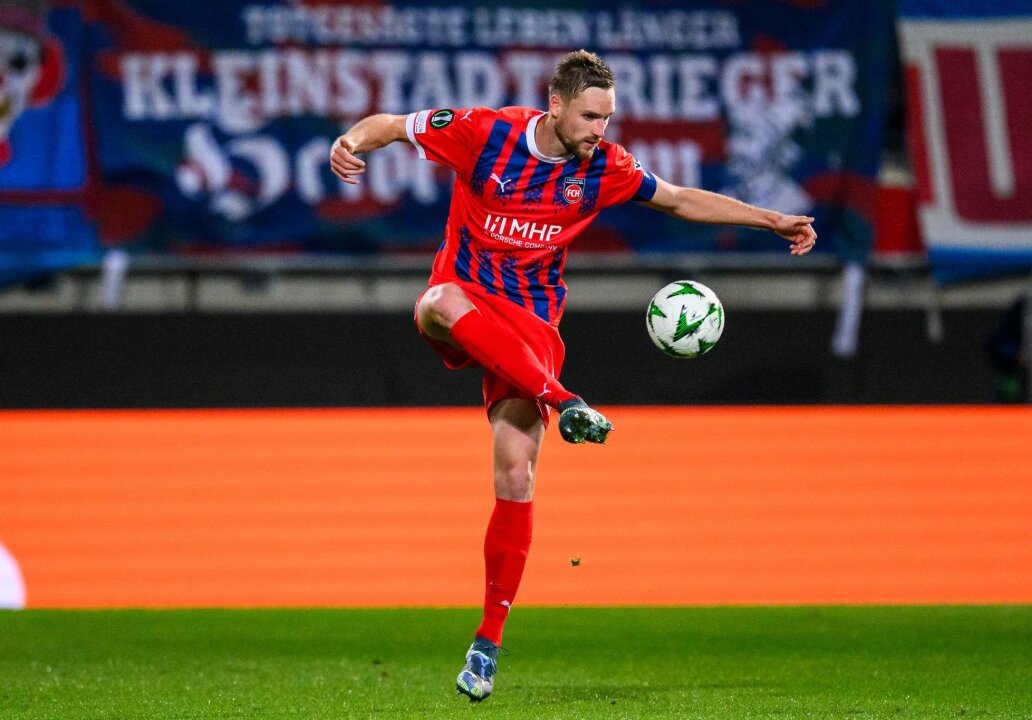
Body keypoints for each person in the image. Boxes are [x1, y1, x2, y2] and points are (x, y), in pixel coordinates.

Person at [330, 49, 816, 702]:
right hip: (468, 297)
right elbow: (390, 124)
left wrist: (769, 218)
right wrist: (349, 141)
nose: (600, 131)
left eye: (608, 119)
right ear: (554, 105)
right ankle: (566, 400)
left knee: (515, 473)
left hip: (529, 329)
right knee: (436, 303)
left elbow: (676, 199)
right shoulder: (484, 133)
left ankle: (486, 644)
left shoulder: (605, 168)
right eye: (590, 116)